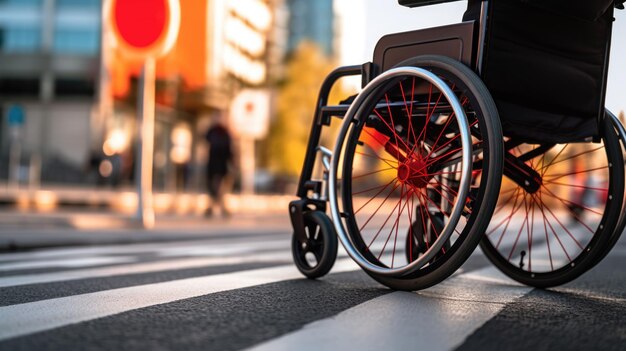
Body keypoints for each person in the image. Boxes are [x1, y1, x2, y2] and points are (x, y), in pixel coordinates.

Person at [204, 118, 233, 217]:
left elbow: (229, 151)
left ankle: (215, 207)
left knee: (218, 187)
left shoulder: (224, 133)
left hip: (219, 164)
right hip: (215, 164)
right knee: (216, 188)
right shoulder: (215, 131)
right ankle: (219, 207)